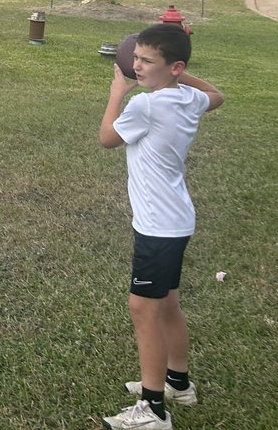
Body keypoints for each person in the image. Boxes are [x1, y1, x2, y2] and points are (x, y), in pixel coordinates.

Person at [97, 23, 224, 429]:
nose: (136, 66)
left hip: (157, 226)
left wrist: (117, 93)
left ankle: (152, 410)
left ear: (174, 67)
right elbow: (217, 95)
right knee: (167, 304)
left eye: (147, 61)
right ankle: (177, 384)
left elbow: (107, 138)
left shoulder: (145, 106)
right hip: (176, 221)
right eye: (135, 58)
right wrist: (174, 73)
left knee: (143, 308)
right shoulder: (189, 97)